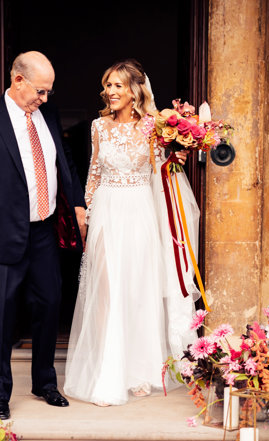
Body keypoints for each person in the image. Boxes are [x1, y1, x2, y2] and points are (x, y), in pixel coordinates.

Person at [0, 51, 86, 420]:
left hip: (44, 229)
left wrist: (76, 203)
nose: (44, 99)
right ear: (18, 80)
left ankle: (45, 383)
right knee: (3, 316)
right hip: (0, 232)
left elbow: (65, 164)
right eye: (40, 91)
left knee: (49, 306)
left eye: (48, 92)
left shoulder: (50, 116)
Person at [63, 60, 199, 406]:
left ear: (135, 90)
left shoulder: (154, 126)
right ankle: (108, 372)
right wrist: (86, 212)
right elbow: (93, 171)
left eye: (118, 86)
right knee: (107, 291)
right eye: (107, 85)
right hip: (107, 210)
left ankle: (140, 371)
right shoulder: (98, 126)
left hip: (140, 211)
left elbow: (159, 173)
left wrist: (176, 158)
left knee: (138, 290)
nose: (110, 92)